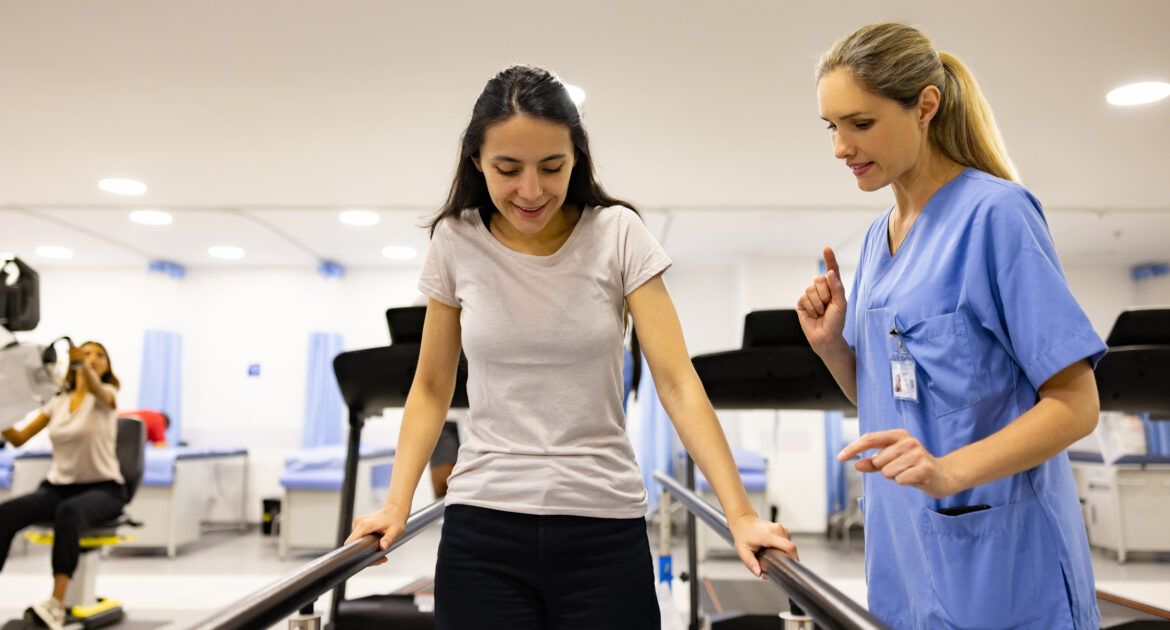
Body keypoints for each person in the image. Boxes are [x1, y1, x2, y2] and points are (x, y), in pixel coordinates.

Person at [347, 64, 797, 629]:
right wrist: (396, 504)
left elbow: (678, 382)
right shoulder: (456, 241)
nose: (531, 191)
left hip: (603, 527)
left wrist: (741, 514)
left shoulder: (618, 233)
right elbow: (432, 387)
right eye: (508, 169)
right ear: (476, 163)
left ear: (577, 159)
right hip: (484, 529)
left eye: (552, 167)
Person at [798, 22, 1105, 629]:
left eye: (860, 124)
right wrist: (834, 349)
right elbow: (897, 408)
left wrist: (948, 472)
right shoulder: (875, 242)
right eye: (832, 127)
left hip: (1003, 559)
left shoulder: (996, 215)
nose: (840, 147)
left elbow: (1076, 405)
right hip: (906, 555)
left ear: (925, 108)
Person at [0, 341, 127, 629]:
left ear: (107, 366)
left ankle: (56, 604)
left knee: (69, 512)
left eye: (99, 355)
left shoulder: (106, 396)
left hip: (104, 488)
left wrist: (81, 364)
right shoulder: (56, 403)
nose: (92, 358)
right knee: (5, 513)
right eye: (87, 353)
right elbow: (19, 438)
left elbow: (96, 389)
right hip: (58, 487)